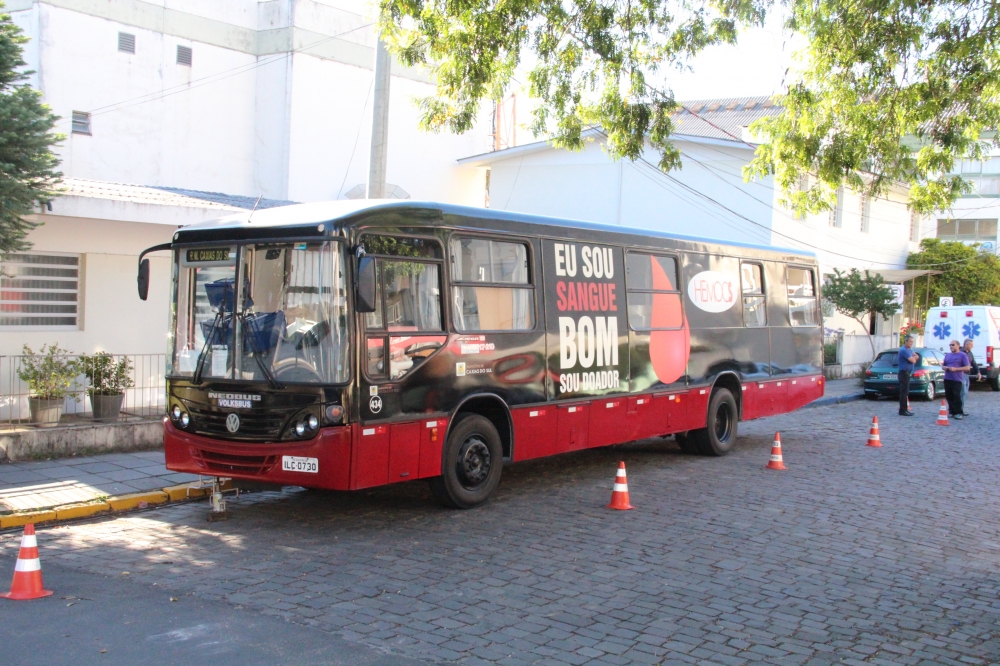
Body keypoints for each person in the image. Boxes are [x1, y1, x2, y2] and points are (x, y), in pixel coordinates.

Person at [942, 340, 972, 419]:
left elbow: (967, 367)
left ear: (958, 346)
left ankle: (959, 412)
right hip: (947, 378)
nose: (951, 346)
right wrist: (946, 368)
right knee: (949, 396)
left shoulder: (962, 355)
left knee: (956, 395)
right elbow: (943, 366)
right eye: (950, 345)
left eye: (953, 345)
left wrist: (956, 369)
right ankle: (952, 411)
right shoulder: (948, 355)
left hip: (957, 379)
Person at [896, 335, 918, 416]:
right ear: (906, 341)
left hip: (907, 373)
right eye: (910, 342)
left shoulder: (910, 350)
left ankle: (905, 409)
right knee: (904, 392)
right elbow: (913, 360)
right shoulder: (903, 350)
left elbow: (916, 356)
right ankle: (902, 410)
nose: (912, 343)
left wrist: (914, 357)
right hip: (904, 373)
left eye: (912, 342)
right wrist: (914, 358)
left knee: (906, 392)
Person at [961, 338, 981, 415]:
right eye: (971, 345)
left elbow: (974, 363)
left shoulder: (970, 353)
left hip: (967, 375)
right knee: (962, 392)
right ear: (966, 344)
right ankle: (957, 410)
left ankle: (960, 409)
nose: (972, 346)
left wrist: (978, 372)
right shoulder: (960, 353)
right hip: (961, 374)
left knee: (965, 393)